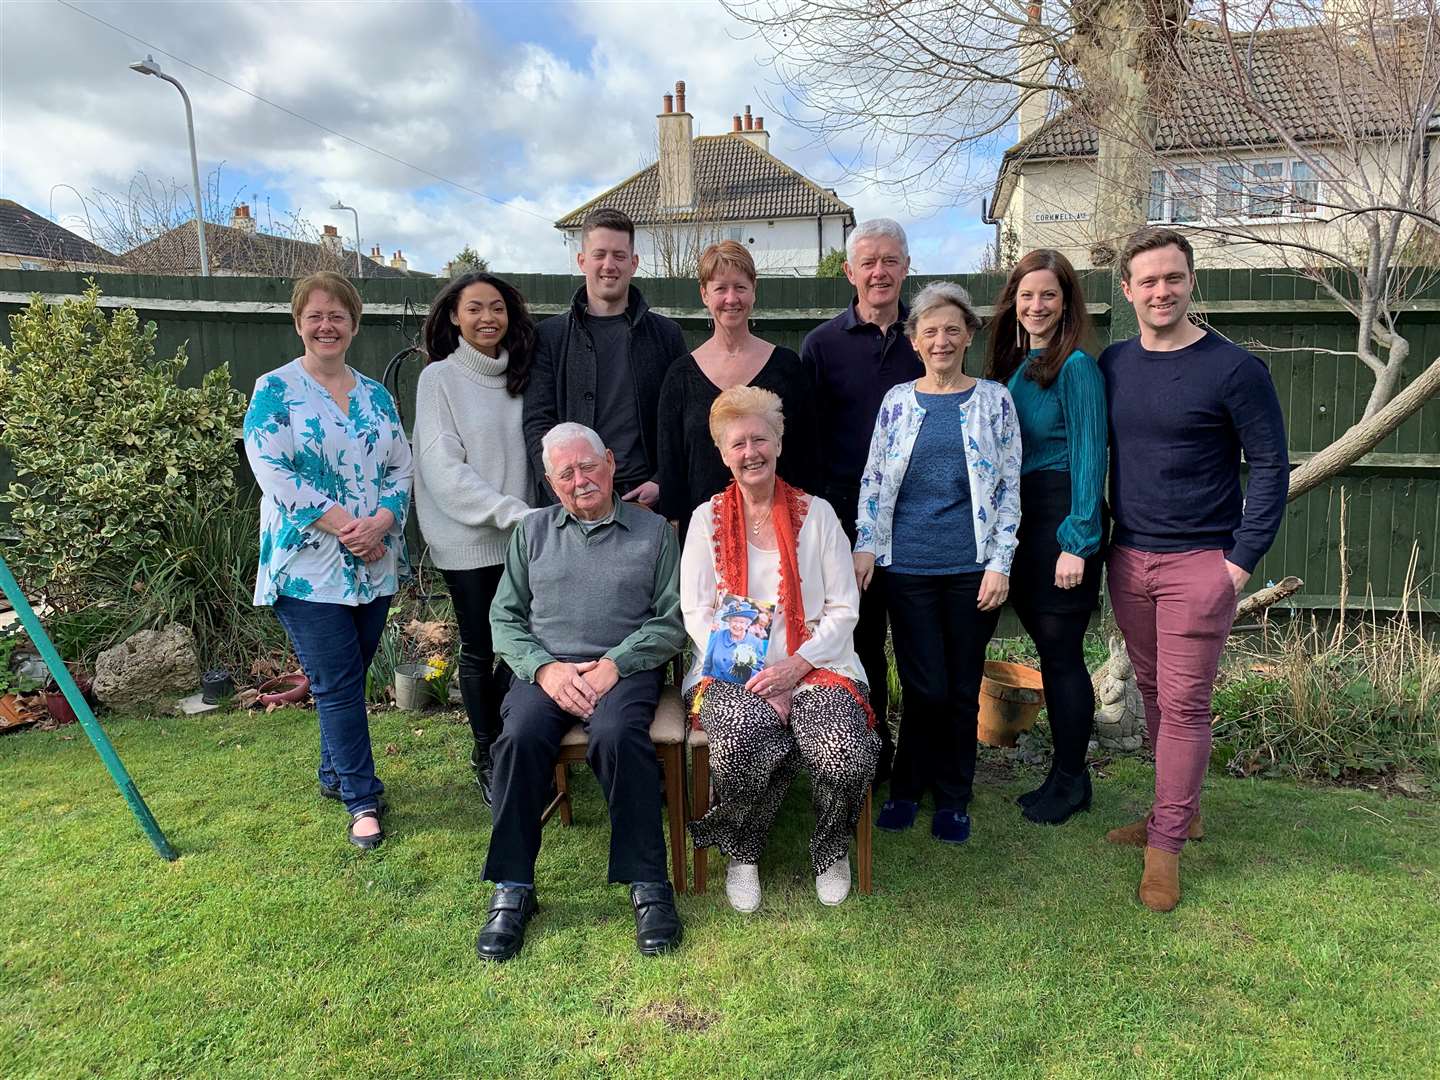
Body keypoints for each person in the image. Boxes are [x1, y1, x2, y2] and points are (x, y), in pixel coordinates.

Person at [1100, 228, 1288, 912]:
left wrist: (1238, 564)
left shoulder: (1235, 370)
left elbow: (1270, 467)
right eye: (1147, 281)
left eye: (1172, 278)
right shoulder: (1114, 364)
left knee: (1184, 704)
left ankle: (1165, 849)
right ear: (1127, 290)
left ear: (1191, 281)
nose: (1160, 291)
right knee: (1153, 692)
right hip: (1129, 558)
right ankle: (1183, 812)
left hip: (1200, 563)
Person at [479, 422, 687, 962]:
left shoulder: (653, 533)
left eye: (588, 466)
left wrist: (614, 666)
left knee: (618, 735)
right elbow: (504, 618)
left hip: (625, 668)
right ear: (552, 484)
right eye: (565, 473)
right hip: (547, 670)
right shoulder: (532, 533)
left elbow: (672, 620)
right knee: (519, 736)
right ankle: (514, 889)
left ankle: (649, 886)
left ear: (611, 464)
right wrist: (544, 669)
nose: (580, 480)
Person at [681, 386, 879, 912]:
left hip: (817, 664)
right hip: (732, 671)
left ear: (779, 442)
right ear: (723, 454)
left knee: (843, 755)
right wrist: (750, 676)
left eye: (760, 438)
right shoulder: (707, 521)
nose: (751, 451)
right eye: (738, 442)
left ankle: (831, 846)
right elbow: (696, 611)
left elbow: (843, 608)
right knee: (743, 736)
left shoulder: (818, 516)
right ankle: (742, 850)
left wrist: (797, 666)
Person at [243, 271, 412, 851]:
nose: (326, 325)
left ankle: (333, 772)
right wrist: (345, 525)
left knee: (347, 675)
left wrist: (382, 524)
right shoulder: (274, 390)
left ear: (354, 324)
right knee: (339, 684)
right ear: (298, 323)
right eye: (315, 315)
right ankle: (362, 800)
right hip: (307, 565)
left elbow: (401, 468)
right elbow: (272, 472)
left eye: (337, 316)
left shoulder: (376, 395)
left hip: (374, 561)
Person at [853, 282, 1021, 845]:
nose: (942, 340)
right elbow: (874, 478)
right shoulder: (898, 402)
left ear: (969, 334)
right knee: (924, 687)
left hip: (972, 569)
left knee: (960, 686)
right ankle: (906, 786)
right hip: (910, 569)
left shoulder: (994, 400)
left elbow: (1008, 487)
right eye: (930, 331)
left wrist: (1000, 562)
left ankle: (953, 796)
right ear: (915, 341)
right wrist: (866, 544)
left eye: (952, 329)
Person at [984, 249, 1108, 826]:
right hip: (1024, 523)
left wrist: (1077, 541)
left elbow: (1089, 455)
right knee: (1049, 652)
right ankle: (1061, 774)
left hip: (1060, 519)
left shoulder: (1076, 367)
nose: (1037, 305)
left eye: (1049, 295)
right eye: (1027, 295)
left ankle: (1071, 780)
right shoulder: (1017, 366)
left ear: (1066, 304)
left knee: (1062, 658)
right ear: (1014, 301)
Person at [800, 218, 925, 781]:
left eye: (890, 261)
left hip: (925, 519)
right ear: (849, 272)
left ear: (906, 267)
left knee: (922, 648)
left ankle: (921, 767)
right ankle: (872, 759)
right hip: (850, 524)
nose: (880, 272)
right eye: (868, 262)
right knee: (864, 643)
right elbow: (809, 436)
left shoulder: (929, 339)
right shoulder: (821, 345)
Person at [413, 272, 536, 805]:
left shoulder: (525, 374)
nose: (488, 318)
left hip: (524, 537)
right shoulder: (439, 379)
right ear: (454, 318)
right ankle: (487, 754)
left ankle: (517, 746)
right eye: (474, 309)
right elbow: (443, 469)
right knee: (480, 649)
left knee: (522, 649)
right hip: (469, 540)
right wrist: (512, 513)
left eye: (497, 308)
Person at [522, 208, 686, 511]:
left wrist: (663, 480)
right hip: (574, 500)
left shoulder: (666, 335)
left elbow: (682, 418)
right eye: (599, 254)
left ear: (633, 263)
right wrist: (561, 488)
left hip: (646, 500)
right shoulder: (549, 338)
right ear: (582, 260)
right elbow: (537, 423)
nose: (609, 265)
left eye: (619, 256)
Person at [657, 241, 820, 527]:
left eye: (740, 287)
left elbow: (808, 456)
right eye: (721, 288)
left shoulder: (787, 367)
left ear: (754, 290)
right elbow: (672, 469)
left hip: (780, 529)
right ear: (704, 293)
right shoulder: (680, 376)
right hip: (707, 536)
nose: (731, 298)